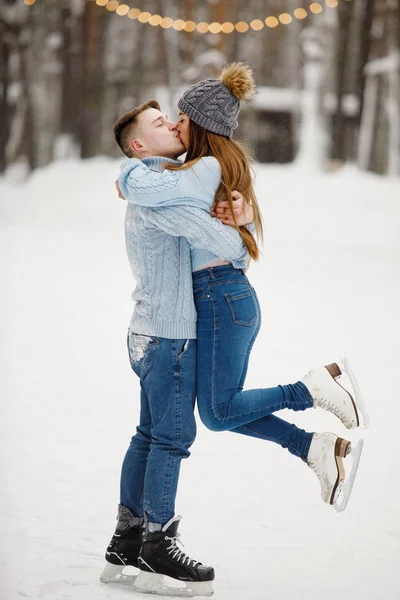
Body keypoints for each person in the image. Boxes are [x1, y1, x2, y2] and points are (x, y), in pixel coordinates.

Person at [103, 64, 369, 597]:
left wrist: (134, 178)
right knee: (190, 425)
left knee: (201, 419)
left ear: (199, 124)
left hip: (215, 302)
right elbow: (205, 223)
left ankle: (312, 398)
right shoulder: (178, 177)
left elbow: (222, 241)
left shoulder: (190, 174)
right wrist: (139, 177)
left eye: (180, 116)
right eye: (164, 119)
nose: (175, 123)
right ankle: (136, 543)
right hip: (185, 316)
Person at [100, 99, 254, 598]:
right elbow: (220, 242)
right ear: (140, 145)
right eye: (158, 123)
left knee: (148, 434)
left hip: (149, 331)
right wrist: (240, 235)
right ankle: (158, 546)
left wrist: (239, 217)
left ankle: (126, 542)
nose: (170, 123)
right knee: (170, 438)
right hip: (167, 335)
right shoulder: (154, 191)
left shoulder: (157, 183)